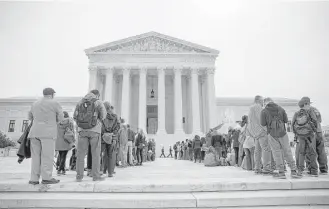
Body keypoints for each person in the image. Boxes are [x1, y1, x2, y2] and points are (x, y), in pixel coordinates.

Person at [27, 88, 64, 185]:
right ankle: (47, 177)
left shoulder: (35, 103)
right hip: (48, 133)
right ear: (52, 94)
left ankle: (34, 179)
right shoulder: (55, 103)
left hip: (34, 133)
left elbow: (30, 117)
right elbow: (61, 117)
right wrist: (53, 122)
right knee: (47, 156)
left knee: (35, 157)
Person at [261, 97, 300, 179]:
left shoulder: (264, 111)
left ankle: (281, 172)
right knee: (287, 151)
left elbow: (263, 123)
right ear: (273, 101)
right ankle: (293, 171)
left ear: (265, 103)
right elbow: (286, 120)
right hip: (283, 133)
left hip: (272, 134)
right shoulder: (281, 108)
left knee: (276, 153)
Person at [74, 89, 106, 182]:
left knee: (80, 155)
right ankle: (96, 176)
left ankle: (79, 177)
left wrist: (81, 125)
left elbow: (75, 116)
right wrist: (96, 121)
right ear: (97, 95)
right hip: (94, 131)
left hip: (82, 131)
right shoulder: (98, 102)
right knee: (96, 154)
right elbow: (103, 115)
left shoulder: (80, 102)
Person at [292, 97, 319, 177]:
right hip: (310, 135)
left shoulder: (296, 113)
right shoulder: (310, 112)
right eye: (309, 104)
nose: (309, 105)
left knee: (301, 153)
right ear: (305, 104)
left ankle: (300, 170)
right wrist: (313, 131)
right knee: (312, 152)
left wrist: (297, 133)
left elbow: (293, 125)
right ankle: (314, 171)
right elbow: (315, 122)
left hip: (300, 136)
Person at [247, 96, 272, 175]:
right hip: (261, 132)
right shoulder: (258, 107)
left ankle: (257, 168)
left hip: (255, 134)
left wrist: (253, 133)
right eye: (262, 101)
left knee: (257, 151)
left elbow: (249, 124)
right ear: (258, 100)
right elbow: (261, 119)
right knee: (266, 149)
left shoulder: (250, 109)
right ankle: (266, 168)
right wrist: (266, 129)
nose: (263, 103)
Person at [101, 102, 120, 177]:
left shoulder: (102, 116)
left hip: (103, 137)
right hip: (112, 137)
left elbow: (100, 126)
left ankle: (102, 170)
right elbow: (118, 127)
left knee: (102, 154)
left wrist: (104, 133)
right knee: (111, 155)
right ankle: (110, 172)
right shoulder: (115, 116)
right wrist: (112, 133)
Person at [55, 111, 76, 175]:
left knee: (61, 155)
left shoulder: (57, 123)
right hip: (67, 141)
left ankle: (63, 169)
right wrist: (73, 140)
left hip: (59, 141)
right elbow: (72, 132)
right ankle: (59, 169)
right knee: (63, 156)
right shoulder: (70, 122)